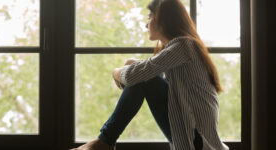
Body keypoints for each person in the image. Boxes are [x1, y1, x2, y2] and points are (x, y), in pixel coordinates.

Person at [71, 0, 229, 149]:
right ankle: (104, 141)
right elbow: (148, 70)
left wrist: (115, 72)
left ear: (164, 19)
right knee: (144, 76)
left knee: (145, 79)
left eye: (150, 17)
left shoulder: (183, 45)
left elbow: (137, 76)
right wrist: (134, 63)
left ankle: (105, 141)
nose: (146, 24)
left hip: (199, 143)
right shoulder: (184, 48)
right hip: (194, 140)